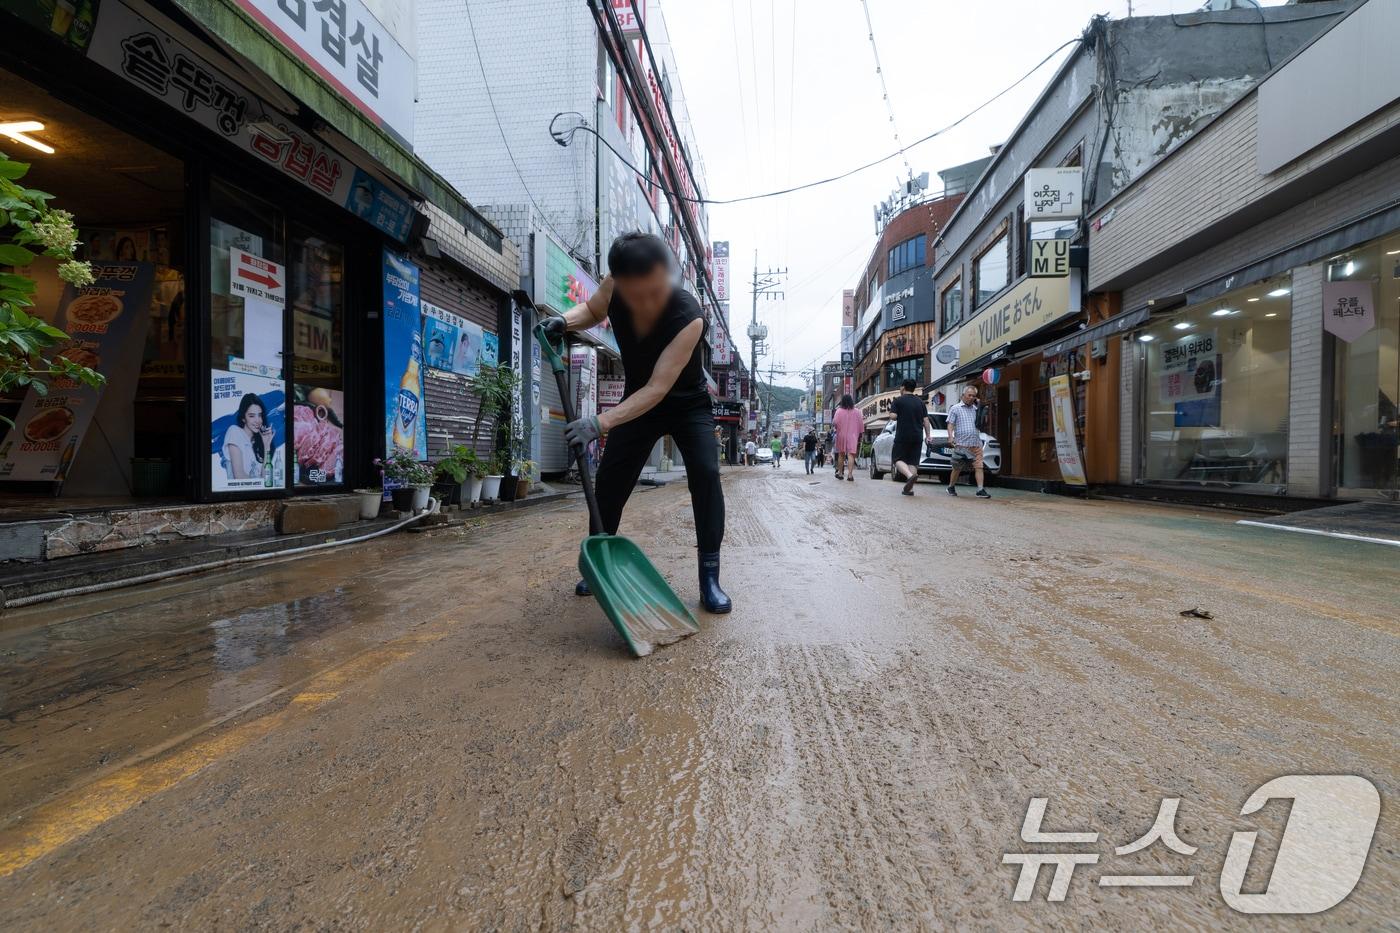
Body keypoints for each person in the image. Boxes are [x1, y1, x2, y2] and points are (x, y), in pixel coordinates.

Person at [541, 232, 731, 613]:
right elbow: (594, 311)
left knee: (706, 474)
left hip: (685, 404)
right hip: (639, 396)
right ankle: (601, 562)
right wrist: (563, 320)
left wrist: (600, 422)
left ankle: (709, 576)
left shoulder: (688, 316)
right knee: (611, 477)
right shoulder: (617, 281)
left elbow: (658, 389)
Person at [889, 378, 934, 496]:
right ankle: (909, 489)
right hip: (917, 436)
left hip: (903, 435)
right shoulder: (920, 402)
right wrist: (928, 436)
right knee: (913, 462)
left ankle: (910, 476)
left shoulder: (898, 401)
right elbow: (926, 420)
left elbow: (893, 416)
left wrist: (898, 414)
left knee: (897, 459)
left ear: (903, 387)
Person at [946, 383, 990, 498]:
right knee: (957, 468)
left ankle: (980, 490)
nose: (972, 398)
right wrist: (950, 437)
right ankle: (951, 486)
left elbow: (982, 423)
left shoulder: (976, 409)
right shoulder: (955, 408)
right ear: (963, 395)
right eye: (969, 395)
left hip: (976, 444)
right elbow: (950, 424)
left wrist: (981, 406)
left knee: (979, 466)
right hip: (961, 444)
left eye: (974, 396)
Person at [224, 392, 273, 479]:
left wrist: (266, 446)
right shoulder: (234, 431)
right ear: (243, 418)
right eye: (251, 416)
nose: (257, 421)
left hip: (258, 492)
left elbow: (266, 479)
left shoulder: (258, 443)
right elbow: (239, 476)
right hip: (239, 492)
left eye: (260, 415)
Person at [832, 394, 861, 482]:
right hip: (853, 435)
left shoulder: (839, 411)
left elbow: (835, 422)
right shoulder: (857, 411)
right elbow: (860, 423)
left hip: (841, 434)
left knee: (841, 454)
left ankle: (840, 473)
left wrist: (837, 428)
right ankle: (850, 475)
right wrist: (859, 433)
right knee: (851, 454)